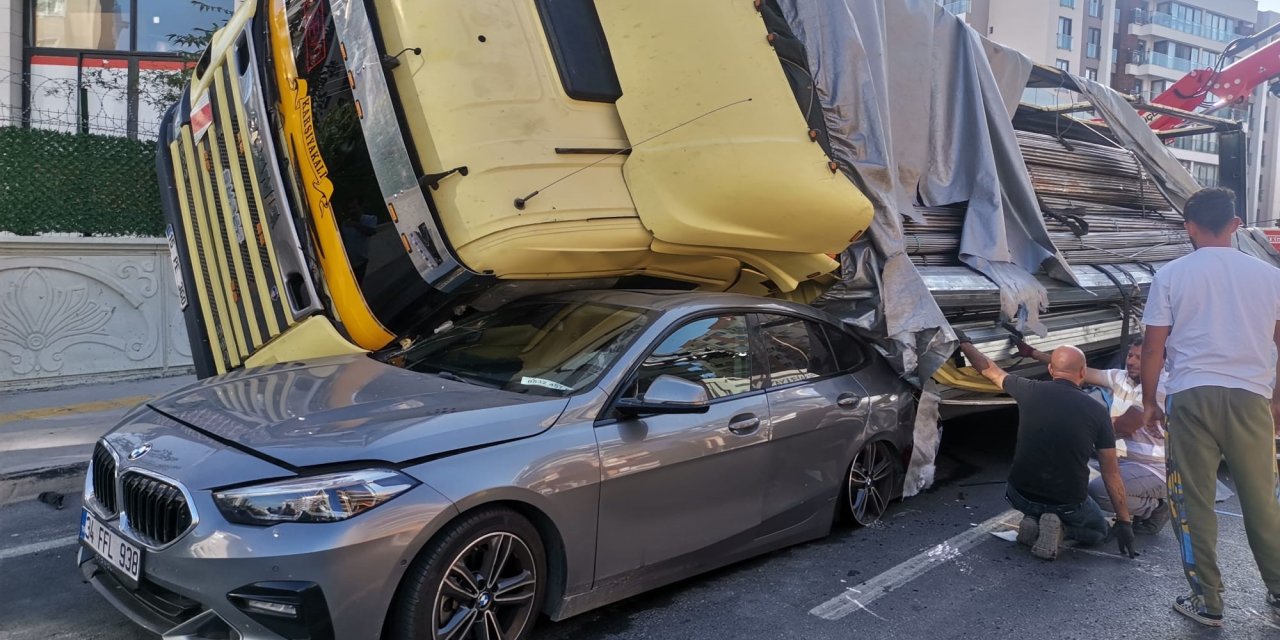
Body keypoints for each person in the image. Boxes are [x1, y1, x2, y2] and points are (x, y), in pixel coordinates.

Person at [1139, 187, 1280, 627]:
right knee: (1262, 501)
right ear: (1237, 225)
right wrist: (1277, 400)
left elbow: (1152, 349)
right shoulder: (1270, 276)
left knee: (1192, 500)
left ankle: (1208, 601)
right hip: (1252, 397)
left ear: (1190, 228)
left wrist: (1149, 402)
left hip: (1192, 395)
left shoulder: (1172, 275)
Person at [956, 336, 1137, 561]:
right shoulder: (1097, 411)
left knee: (1035, 499)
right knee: (1098, 531)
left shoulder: (1028, 389)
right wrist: (1124, 521)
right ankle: (1059, 529)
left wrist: (965, 344)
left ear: (1051, 369)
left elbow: (989, 370)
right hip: (1067, 503)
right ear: (1082, 372)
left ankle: (1032, 518)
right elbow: (1110, 473)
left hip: (1019, 495)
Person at [1014, 336, 1169, 534]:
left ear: (1159, 361)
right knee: (1065, 477)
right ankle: (1051, 519)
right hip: (1120, 461)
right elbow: (1074, 369)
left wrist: (1071, 430)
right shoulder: (1121, 377)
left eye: (1139, 358)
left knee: (1099, 491)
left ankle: (1155, 509)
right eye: (1130, 355)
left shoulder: (1161, 387)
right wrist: (1033, 353)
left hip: (1153, 469)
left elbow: (1124, 426)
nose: (1131, 361)